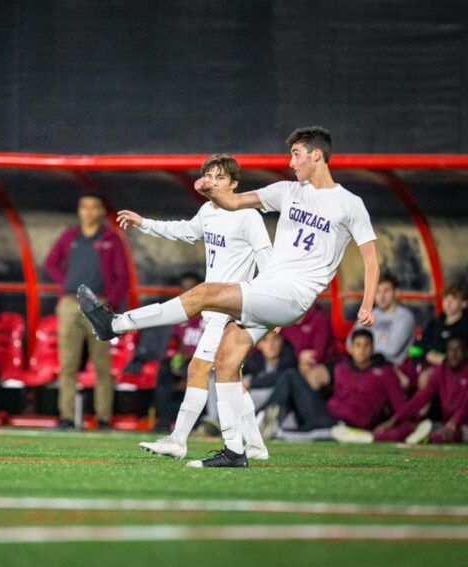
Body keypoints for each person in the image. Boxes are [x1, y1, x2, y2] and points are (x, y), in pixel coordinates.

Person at [79, 126, 379, 467]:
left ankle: (115, 325)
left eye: (296, 154)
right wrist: (208, 190)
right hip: (267, 291)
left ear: (316, 155)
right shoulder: (286, 191)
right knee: (226, 361)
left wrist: (367, 304)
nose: (291, 161)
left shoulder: (350, 204)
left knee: (204, 295)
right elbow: (233, 201)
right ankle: (237, 450)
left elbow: (370, 259)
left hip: (291, 294)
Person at [117, 154, 273, 459]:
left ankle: (178, 440)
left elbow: (266, 259)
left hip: (233, 306)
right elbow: (184, 231)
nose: (213, 181)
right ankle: (255, 446)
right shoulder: (208, 211)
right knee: (232, 377)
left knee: (198, 368)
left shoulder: (248, 215)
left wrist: (270, 302)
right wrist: (143, 223)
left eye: (221, 177)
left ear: (235, 183)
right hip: (214, 307)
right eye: (209, 176)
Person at [44, 193, 129, 430]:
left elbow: (123, 277)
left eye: (94, 207)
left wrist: (109, 303)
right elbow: (50, 263)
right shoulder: (70, 236)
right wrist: (66, 282)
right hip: (70, 305)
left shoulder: (112, 238)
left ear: (102, 211)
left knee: (102, 365)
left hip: (99, 305)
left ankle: (103, 418)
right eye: (84, 207)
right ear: (79, 211)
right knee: (68, 364)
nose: (89, 212)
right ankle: (67, 417)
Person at [262, 329, 405, 438]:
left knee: (294, 434)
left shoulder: (386, 373)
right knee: (291, 374)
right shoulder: (340, 367)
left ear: (373, 349)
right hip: (327, 416)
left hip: (348, 427)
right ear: (351, 348)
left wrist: (389, 424)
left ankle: (269, 427)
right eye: (358, 345)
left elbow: (401, 407)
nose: (362, 350)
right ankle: (260, 418)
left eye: (366, 345)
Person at [357, 336, 468, 445]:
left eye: (458, 350)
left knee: (439, 436)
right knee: (393, 432)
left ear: (466, 352)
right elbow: (420, 398)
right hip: (446, 424)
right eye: (451, 350)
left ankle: (429, 440)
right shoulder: (442, 370)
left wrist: (454, 422)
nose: (454, 354)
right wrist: (394, 419)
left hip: (463, 426)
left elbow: (465, 406)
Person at [152, 273, 205, 433]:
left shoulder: (209, 315)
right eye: (184, 289)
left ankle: (196, 423)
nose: (187, 292)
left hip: (203, 361)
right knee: (164, 370)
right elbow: (174, 345)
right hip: (182, 362)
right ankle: (164, 422)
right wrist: (177, 361)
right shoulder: (177, 316)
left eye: (192, 288)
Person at [347, 273, 415, 365]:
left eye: (386, 291)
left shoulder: (405, 317)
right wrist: (381, 340)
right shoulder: (369, 313)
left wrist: (365, 345)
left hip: (390, 367)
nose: (381, 296)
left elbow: (392, 350)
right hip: (365, 365)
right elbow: (350, 343)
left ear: (396, 292)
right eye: (377, 291)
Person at [281, 303, 339, 390]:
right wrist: (299, 356)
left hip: (327, 362)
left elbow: (318, 355)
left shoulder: (319, 316)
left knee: (311, 376)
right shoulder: (282, 318)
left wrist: (300, 360)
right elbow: (275, 344)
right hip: (293, 363)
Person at [410, 284, 468, 367]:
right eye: (445, 299)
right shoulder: (434, 324)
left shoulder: (465, 326)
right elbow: (414, 349)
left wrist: (445, 360)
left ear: (464, 303)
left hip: (457, 372)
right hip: (428, 366)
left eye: (453, 299)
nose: (448, 303)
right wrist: (427, 355)